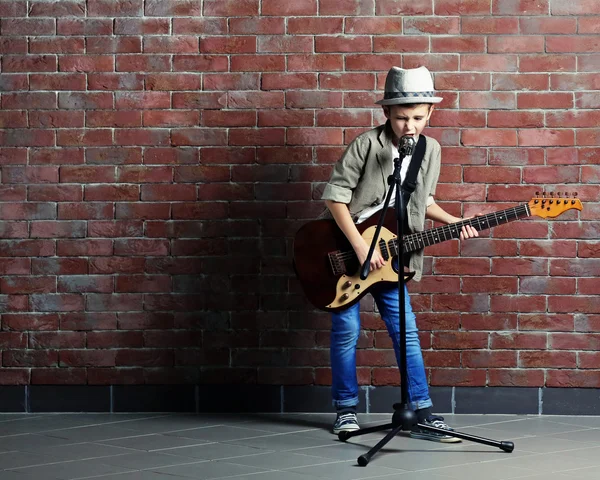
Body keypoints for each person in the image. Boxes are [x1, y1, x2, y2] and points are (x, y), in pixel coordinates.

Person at [320, 66, 479, 442]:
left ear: (430, 114)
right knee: (347, 331)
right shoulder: (366, 145)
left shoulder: (431, 149)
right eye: (402, 117)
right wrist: (361, 247)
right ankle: (346, 410)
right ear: (387, 114)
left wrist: (456, 221)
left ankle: (422, 411)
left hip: (394, 256)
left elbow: (423, 202)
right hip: (347, 251)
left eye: (418, 118)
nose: (410, 126)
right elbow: (334, 196)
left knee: (405, 333)